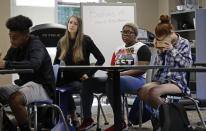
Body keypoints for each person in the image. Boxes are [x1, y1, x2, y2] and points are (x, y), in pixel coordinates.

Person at [78, 23, 151, 131]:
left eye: (128, 32)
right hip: (116, 79)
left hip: (137, 80)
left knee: (113, 81)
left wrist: (119, 74)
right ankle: (87, 119)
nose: (125, 34)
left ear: (135, 34)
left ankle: (120, 122)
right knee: (87, 83)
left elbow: (142, 69)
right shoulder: (118, 49)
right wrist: (110, 72)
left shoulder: (142, 48)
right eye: (123, 32)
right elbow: (113, 67)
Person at [0, 15, 55, 131]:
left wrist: (6, 64)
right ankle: (8, 127)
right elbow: (5, 64)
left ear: (26, 36)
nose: (11, 40)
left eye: (14, 37)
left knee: (15, 99)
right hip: (24, 85)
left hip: (42, 86)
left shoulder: (36, 44)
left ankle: (26, 128)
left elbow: (34, 64)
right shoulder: (15, 47)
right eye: (10, 36)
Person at [53, 15, 105, 128]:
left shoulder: (86, 40)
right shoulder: (62, 42)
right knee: (56, 88)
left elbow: (101, 59)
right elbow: (56, 63)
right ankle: (69, 117)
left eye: (75, 23)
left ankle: (82, 118)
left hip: (81, 79)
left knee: (77, 88)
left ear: (79, 27)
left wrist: (88, 74)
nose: (71, 25)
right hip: (66, 79)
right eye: (70, 22)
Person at [137, 15, 193, 109]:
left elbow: (188, 65)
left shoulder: (184, 43)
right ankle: (164, 116)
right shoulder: (162, 44)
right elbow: (156, 67)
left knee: (153, 92)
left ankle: (169, 117)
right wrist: (159, 52)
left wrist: (172, 50)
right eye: (159, 39)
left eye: (163, 39)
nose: (162, 41)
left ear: (171, 33)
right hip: (160, 80)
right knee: (141, 91)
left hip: (177, 82)